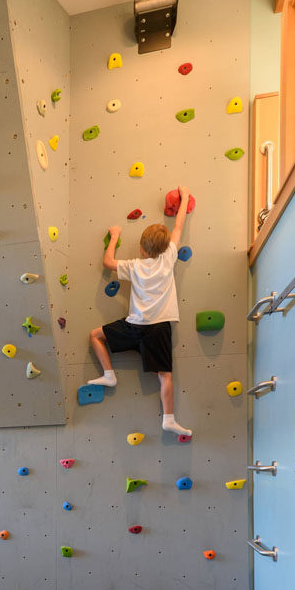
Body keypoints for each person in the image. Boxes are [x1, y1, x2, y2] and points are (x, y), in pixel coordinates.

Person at [87, 186, 192, 436]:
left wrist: (114, 236)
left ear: (142, 248)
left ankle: (109, 374)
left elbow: (108, 263)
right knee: (164, 375)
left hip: (135, 325)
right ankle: (168, 418)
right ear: (165, 247)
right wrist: (185, 197)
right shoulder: (169, 257)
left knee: (95, 335)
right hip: (159, 327)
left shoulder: (135, 266)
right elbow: (178, 227)